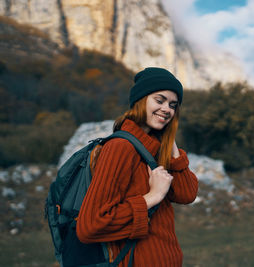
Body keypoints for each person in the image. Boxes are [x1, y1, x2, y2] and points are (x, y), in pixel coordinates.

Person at [76, 67, 199, 266]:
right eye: (159, 100)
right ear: (140, 101)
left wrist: (170, 142)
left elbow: (187, 194)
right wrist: (153, 197)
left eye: (173, 105)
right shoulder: (120, 148)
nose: (167, 109)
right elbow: (90, 226)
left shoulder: (154, 149)